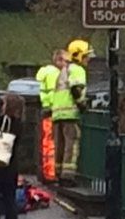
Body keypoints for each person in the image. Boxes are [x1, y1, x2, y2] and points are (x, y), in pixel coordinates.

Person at [52, 40, 93, 182]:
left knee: (60, 145)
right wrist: (81, 104)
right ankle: (68, 176)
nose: (89, 59)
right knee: (71, 144)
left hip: (58, 114)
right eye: (86, 56)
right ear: (79, 55)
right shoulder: (77, 70)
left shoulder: (65, 69)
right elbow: (76, 89)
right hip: (70, 113)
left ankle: (58, 172)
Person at [36, 50, 65, 183]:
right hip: (54, 110)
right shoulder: (56, 74)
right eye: (64, 61)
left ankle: (47, 172)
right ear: (58, 61)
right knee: (51, 143)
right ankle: (50, 173)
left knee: (47, 143)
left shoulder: (46, 72)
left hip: (46, 108)